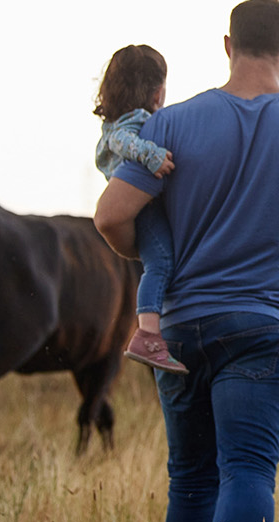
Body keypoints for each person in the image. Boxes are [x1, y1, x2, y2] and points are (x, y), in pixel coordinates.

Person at [93, 1, 279, 522]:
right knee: (248, 471)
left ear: (228, 46)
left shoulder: (169, 124)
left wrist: (159, 259)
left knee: (189, 476)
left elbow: (111, 216)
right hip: (265, 328)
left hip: (181, 326)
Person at [93, 44, 186, 375]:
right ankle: (147, 335)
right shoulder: (131, 124)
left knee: (158, 262)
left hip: (142, 207)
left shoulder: (119, 121)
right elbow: (122, 142)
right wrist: (151, 155)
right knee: (159, 262)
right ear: (156, 91)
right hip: (143, 209)